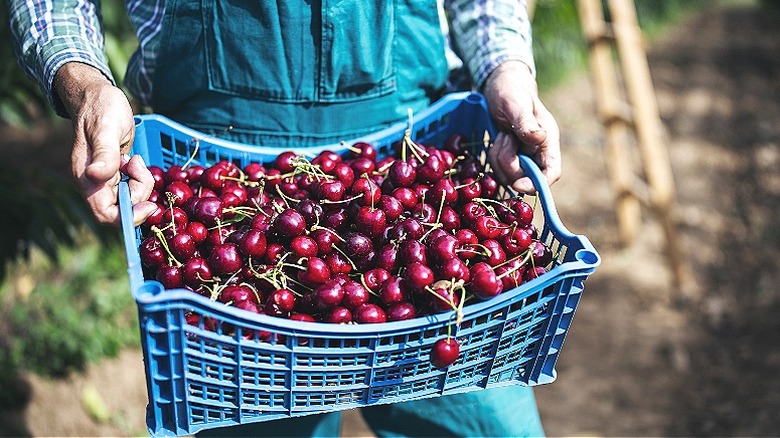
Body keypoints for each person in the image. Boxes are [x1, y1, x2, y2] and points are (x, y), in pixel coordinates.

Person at [9, 0, 560, 436]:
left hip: (410, 135)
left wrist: (504, 68)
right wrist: (85, 84)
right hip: (218, 153)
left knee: (481, 416)